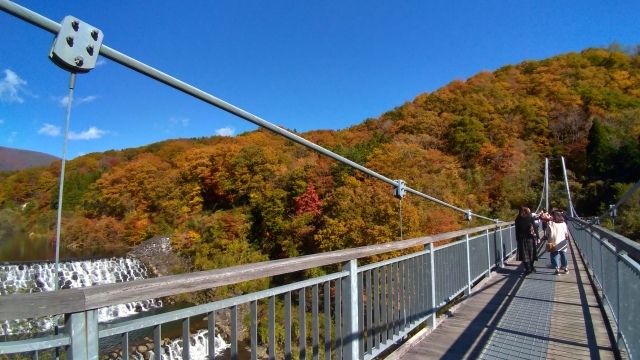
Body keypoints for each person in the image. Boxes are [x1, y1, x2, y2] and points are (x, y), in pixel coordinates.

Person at [514, 206, 539, 274]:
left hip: (521, 239)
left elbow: (517, 230)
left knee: (524, 255)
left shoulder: (517, 219)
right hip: (530, 238)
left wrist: (517, 239)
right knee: (532, 253)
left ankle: (528, 269)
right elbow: (534, 228)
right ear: (526, 211)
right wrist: (538, 237)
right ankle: (531, 267)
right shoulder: (529, 218)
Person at [545, 210, 569, 275]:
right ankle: (565, 268)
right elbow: (566, 233)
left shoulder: (550, 223)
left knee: (554, 255)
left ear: (553, 216)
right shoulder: (563, 223)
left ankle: (557, 268)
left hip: (553, 241)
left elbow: (547, 233)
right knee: (563, 254)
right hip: (562, 241)